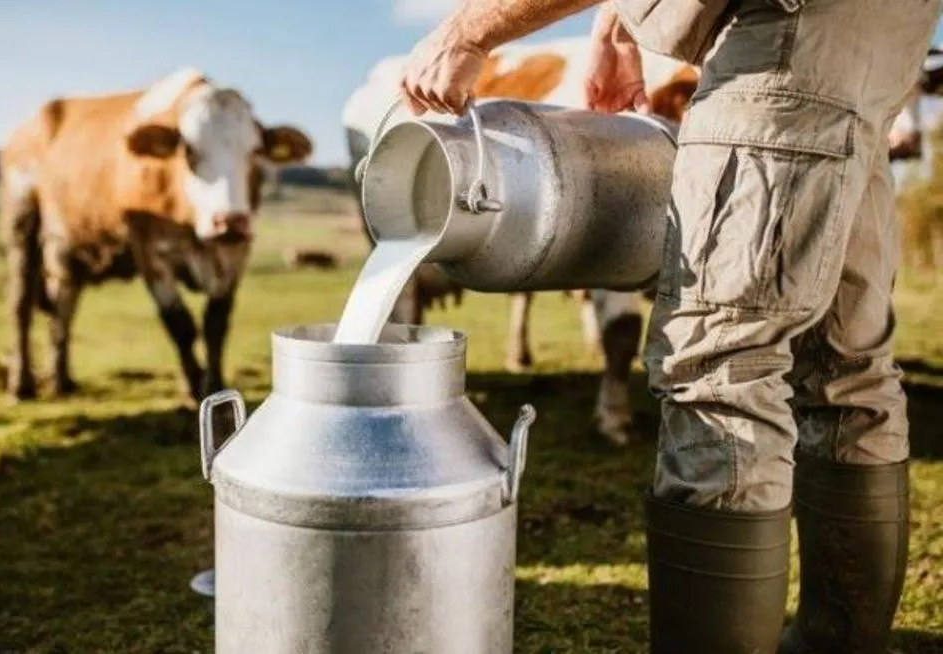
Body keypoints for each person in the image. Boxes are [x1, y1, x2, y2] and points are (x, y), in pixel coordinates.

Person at [397, 0, 941, 652]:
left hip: (779, 31)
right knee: (843, 363)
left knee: (720, 363)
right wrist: (614, 26)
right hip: (876, 34)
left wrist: (467, 30)